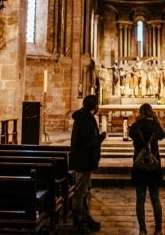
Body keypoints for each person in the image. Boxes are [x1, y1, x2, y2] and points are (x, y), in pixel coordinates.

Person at [70, 94, 107, 233]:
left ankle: (85, 217)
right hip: (83, 160)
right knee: (80, 192)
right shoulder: (86, 120)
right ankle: (77, 222)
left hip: (85, 160)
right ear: (94, 106)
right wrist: (101, 138)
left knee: (84, 191)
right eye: (97, 105)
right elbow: (88, 142)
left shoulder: (83, 117)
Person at [128, 103, 165, 235]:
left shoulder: (136, 125)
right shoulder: (155, 125)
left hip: (139, 165)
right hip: (153, 163)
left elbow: (130, 134)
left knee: (140, 198)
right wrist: (156, 121)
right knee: (155, 198)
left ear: (140, 112)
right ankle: (158, 229)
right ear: (151, 112)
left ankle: (142, 229)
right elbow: (163, 135)